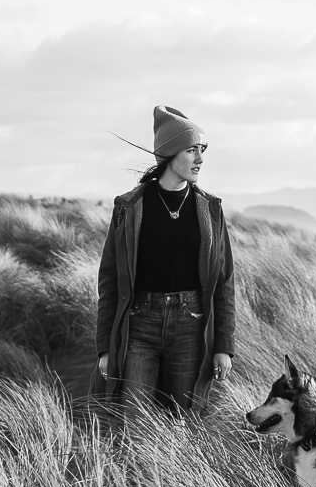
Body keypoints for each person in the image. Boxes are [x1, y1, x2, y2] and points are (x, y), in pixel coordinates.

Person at [95, 105, 235, 414]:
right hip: (139, 324)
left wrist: (224, 347)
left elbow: (224, 283)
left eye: (202, 150)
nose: (200, 159)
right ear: (169, 154)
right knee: (136, 420)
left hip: (191, 324)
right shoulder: (129, 207)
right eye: (191, 150)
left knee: (182, 421)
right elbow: (109, 280)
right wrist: (105, 346)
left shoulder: (210, 210)